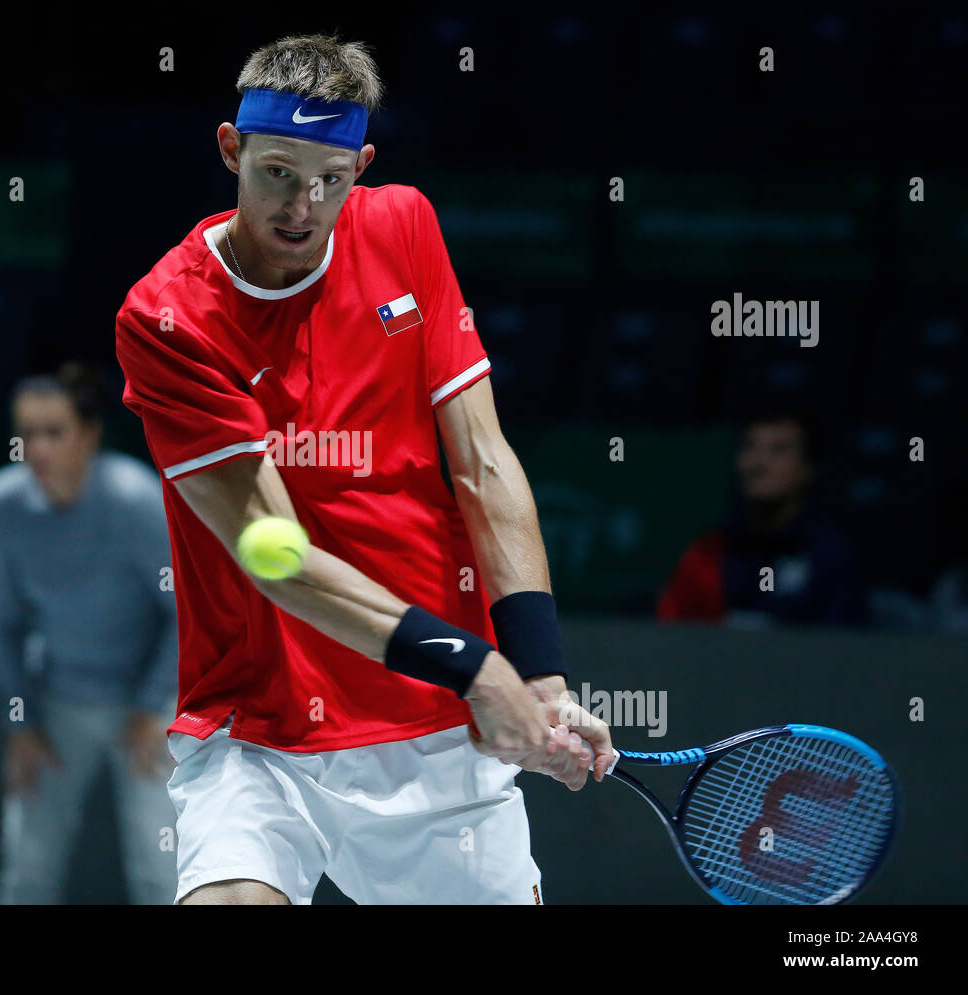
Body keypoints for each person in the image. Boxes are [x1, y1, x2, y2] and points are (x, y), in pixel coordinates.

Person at [114, 34, 614, 907]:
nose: (303, 206)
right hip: (258, 727)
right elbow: (273, 552)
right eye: (277, 171)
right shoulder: (169, 318)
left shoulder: (403, 226)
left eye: (331, 177)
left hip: (430, 727)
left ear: (363, 164)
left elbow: (485, 463)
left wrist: (539, 675)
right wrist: (480, 668)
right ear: (230, 148)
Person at [0, 361, 179, 904]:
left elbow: (185, 611)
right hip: (55, 704)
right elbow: (4, 624)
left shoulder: (137, 500)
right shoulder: (1, 504)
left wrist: (154, 708)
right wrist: (19, 721)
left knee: (163, 875)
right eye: (26, 434)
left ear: (90, 436)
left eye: (54, 432)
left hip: (151, 708)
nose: (36, 448)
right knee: (26, 873)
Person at [658, 409, 867, 626]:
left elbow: (844, 647)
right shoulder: (708, 552)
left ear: (809, 468)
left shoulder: (831, 555)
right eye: (749, 447)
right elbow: (673, 635)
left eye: (778, 450)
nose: (758, 464)